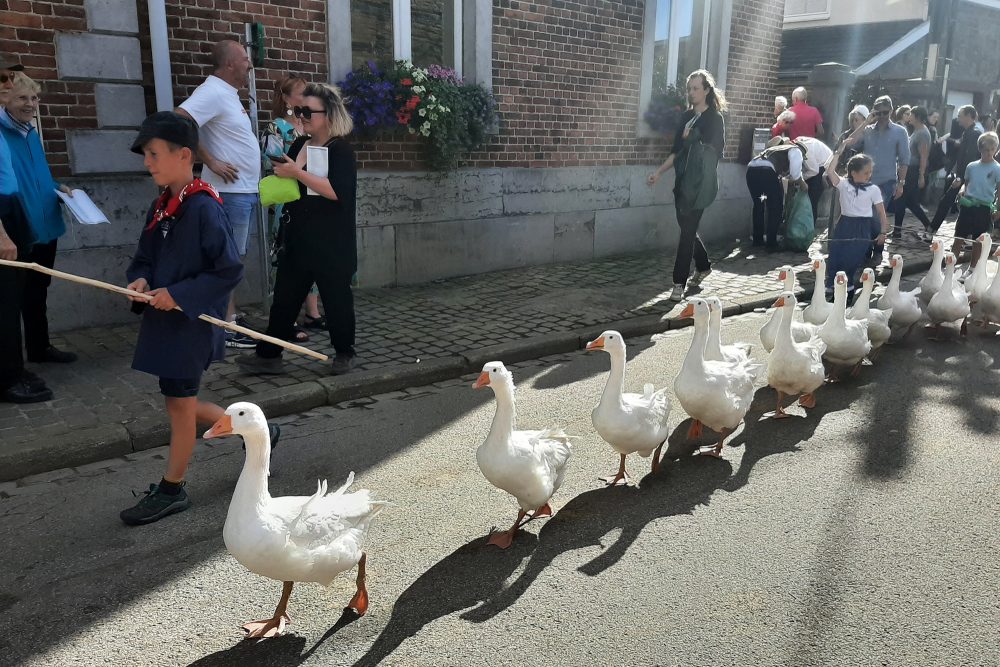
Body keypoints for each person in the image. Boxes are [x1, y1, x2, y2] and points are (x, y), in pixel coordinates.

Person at [118, 112, 276, 525]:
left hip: (190, 324)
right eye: (146, 155)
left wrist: (180, 295)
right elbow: (145, 258)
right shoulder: (161, 206)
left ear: (184, 154)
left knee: (180, 407)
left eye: (153, 154)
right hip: (163, 322)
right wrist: (139, 280)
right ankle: (259, 432)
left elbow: (228, 270)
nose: (148, 162)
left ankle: (173, 489)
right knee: (178, 399)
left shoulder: (204, 207)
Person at [236, 83, 359, 374]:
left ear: (328, 114)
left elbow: (336, 192)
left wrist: (297, 173)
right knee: (285, 298)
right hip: (299, 236)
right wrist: (285, 171)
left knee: (336, 298)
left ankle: (345, 353)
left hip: (331, 239)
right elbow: (295, 185)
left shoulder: (340, 150)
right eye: (298, 110)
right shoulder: (300, 144)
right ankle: (269, 355)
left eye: (307, 111)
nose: (300, 116)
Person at [175, 39, 260, 349]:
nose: (249, 65)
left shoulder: (228, 94)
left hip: (242, 190)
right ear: (228, 64)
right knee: (227, 260)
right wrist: (209, 161)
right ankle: (224, 325)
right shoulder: (212, 91)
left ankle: (228, 317)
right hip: (230, 192)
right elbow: (180, 119)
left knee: (232, 259)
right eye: (244, 59)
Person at [0, 74, 77, 366]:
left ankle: (39, 347)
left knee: (38, 290)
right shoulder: (2, 134)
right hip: (20, 227)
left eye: (33, 98)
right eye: (22, 98)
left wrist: (57, 188)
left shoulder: (29, 131)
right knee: (13, 299)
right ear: (5, 99)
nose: (30, 104)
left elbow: (36, 176)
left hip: (46, 225)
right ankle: (12, 366)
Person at [646, 69, 726, 302]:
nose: (691, 93)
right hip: (682, 183)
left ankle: (678, 283)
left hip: (700, 185)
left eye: (696, 88)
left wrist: (695, 137)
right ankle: (703, 264)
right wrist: (659, 173)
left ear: (707, 90)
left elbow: (716, 151)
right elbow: (677, 152)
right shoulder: (685, 117)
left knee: (687, 231)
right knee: (687, 229)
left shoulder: (714, 118)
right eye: (689, 89)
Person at [0, 57, 53, 403]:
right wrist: (2, 234)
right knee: (5, 306)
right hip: (5, 216)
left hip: (12, 211)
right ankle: (8, 379)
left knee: (14, 299)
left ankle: (14, 369)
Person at [260, 74, 317, 343]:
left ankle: (313, 313)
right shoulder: (276, 127)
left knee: (311, 252)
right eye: (301, 93)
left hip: (310, 196)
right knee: (286, 256)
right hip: (287, 199)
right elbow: (273, 162)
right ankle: (288, 319)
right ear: (285, 98)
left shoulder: (309, 125)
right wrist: (299, 167)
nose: (305, 97)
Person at [850, 95, 909, 264]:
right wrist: (865, 122)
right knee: (865, 217)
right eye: (879, 113)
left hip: (886, 182)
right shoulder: (867, 130)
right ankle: (866, 251)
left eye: (885, 112)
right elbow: (850, 143)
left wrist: (901, 184)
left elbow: (904, 160)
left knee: (876, 217)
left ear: (891, 111)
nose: (882, 116)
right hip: (865, 182)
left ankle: (877, 251)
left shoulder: (900, 131)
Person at [823, 150, 889, 293]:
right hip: (844, 224)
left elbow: (882, 213)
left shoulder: (873, 189)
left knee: (853, 257)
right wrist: (839, 152)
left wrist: (883, 232)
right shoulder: (843, 184)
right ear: (853, 172)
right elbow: (830, 171)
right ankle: (831, 285)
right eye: (866, 172)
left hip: (862, 226)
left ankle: (847, 286)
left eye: (870, 172)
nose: (869, 175)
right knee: (837, 254)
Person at [952, 132, 1000, 279]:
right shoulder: (971, 166)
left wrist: (998, 209)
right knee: (958, 237)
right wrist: (961, 192)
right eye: (986, 149)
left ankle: (972, 269)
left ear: (996, 149)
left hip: (984, 207)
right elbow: (966, 185)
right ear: (980, 149)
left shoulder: (997, 168)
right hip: (968, 206)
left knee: (977, 240)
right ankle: (950, 265)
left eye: (992, 149)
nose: (989, 152)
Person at [745, 137, 806, 250]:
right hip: (766, 172)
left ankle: (758, 240)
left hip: (752, 170)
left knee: (759, 204)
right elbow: (795, 174)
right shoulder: (796, 150)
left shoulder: (776, 149)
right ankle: (771, 243)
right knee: (775, 208)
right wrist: (802, 183)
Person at [929, 105, 981, 237]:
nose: (958, 119)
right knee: (951, 203)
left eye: (960, 116)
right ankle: (934, 230)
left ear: (969, 116)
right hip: (963, 175)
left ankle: (933, 231)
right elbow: (960, 148)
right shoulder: (968, 132)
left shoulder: (974, 133)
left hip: (967, 176)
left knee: (951, 203)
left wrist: (961, 178)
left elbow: (969, 158)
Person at [893, 105, 934, 238]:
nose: (909, 116)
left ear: (917, 117)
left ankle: (897, 231)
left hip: (913, 171)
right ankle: (928, 226)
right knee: (910, 202)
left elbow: (923, 155)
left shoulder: (922, 133)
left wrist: (921, 175)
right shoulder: (917, 131)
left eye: (911, 114)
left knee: (901, 199)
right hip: (909, 169)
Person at [796, 135, 833, 224]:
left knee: (812, 200)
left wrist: (800, 180)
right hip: (820, 163)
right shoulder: (798, 143)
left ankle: (809, 227)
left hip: (822, 167)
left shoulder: (806, 153)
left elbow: (814, 171)